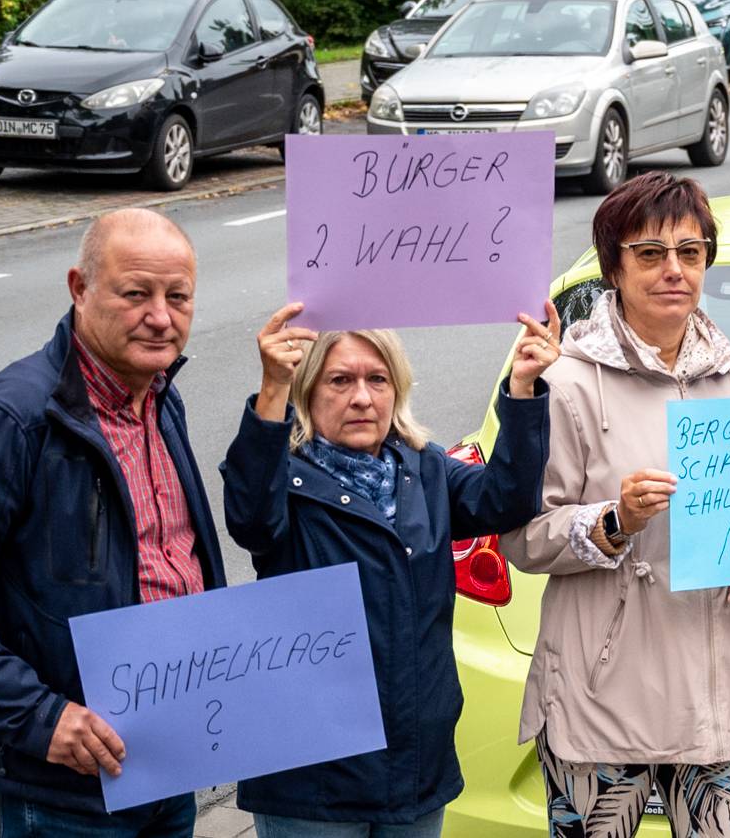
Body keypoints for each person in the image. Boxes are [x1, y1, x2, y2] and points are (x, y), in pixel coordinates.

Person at [0, 208, 224, 838]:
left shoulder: (159, 396)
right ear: (80, 288)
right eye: (136, 294)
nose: (161, 316)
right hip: (67, 796)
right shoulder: (11, 418)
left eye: (177, 296)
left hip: (168, 762)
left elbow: (167, 558)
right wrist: (39, 718)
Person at [500, 172, 730, 838]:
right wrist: (612, 520)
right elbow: (521, 537)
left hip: (719, 699)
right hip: (601, 700)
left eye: (690, 251)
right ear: (613, 269)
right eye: (650, 253)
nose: (673, 269)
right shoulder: (562, 383)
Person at [217, 302, 557, 837]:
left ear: (396, 389)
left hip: (415, 769)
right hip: (314, 785)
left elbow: (507, 500)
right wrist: (270, 392)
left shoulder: (424, 470)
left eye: (377, 379)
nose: (361, 396)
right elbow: (247, 519)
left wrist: (521, 388)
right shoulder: (284, 479)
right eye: (339, 380)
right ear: (307, 391)